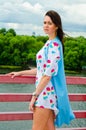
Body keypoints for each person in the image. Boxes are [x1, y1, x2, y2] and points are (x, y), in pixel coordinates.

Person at [7, 10, 75, 130]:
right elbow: (41, 70)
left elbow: (47, 75)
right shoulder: (49, 43)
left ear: (56, 26)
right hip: (46, 95)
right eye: (44, 22)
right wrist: (20, 73)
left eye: (49, 23)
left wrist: (34, 96)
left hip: (44, 96)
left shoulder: (54, 46)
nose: (46, 25)